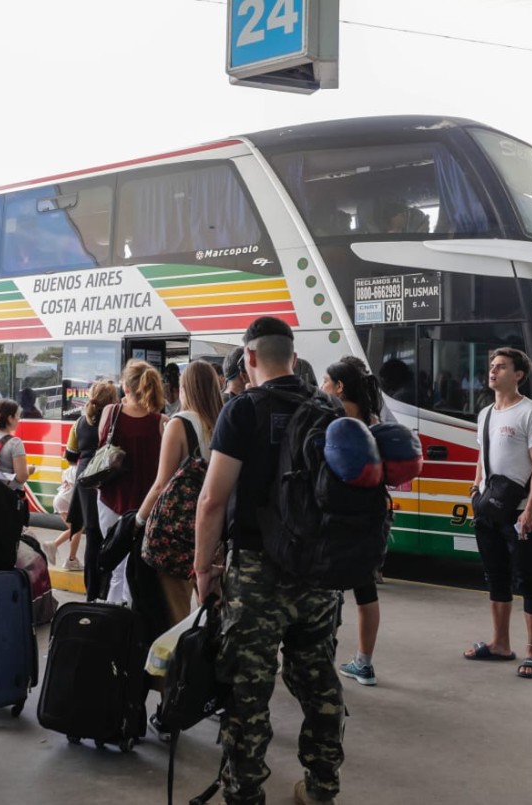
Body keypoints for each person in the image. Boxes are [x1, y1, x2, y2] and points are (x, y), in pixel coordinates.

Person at [194, 316, 345, 805]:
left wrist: (202, 570)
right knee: (319, 680)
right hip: (319, 572)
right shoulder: (329, 409)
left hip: (258, 572)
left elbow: (212, 501)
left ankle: (245, 793)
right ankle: (322, 788)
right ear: (294, 357)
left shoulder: (242, 411)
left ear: (250, 357)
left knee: (248, 689)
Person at [462, 347, 532, 679]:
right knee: (495, 577)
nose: (493, 371)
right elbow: (481, 456)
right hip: (488, 510)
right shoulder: (486, 413)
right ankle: (500, 643)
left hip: (520, 514)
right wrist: (475, 489)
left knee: (530, 580)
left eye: (501, 367)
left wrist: (531, 509)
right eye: (491, 366)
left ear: (518, 375)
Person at [136, 359, 222, 624]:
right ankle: (211, 658)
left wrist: (139, 518)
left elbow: (162, 483)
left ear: (185, 388)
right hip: (216, 529)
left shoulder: (179, 424)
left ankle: (180, 662)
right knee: (214, 608)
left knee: (177, 612)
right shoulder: (224, 421)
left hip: (179, 534)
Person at [320, 357, 386, 687]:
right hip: (370, 515)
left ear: (339, 387)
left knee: (328, 590)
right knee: (365, 590)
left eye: (325, 382)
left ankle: (320, 660)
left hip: (336, 514)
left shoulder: (333, 419)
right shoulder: (374, 420)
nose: (322, 388)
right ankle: (364, 662)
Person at [96, 360, 166, 603]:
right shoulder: (162, 422)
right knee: (138, 565)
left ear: (125, 387)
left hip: (110, 499)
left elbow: (102, 446)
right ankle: (132, 616)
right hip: (145, 506)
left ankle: (114, 615)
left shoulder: (109, 413)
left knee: (115, 561)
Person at [66, 380, 117, 601]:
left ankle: (91, 594)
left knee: (92, 538)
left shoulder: (78, 423)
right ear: (113, 400)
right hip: (107, 480)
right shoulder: (115, 422)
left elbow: (70, 456)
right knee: (112, 536)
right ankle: (108, 592)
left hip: (85, 481)